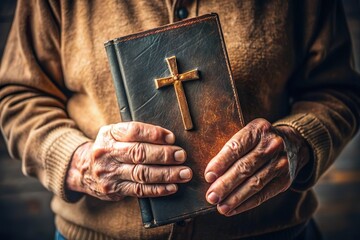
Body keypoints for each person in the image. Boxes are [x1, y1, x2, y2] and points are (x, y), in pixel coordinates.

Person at [0, 0, 359, 239]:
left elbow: (338, 91)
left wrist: (294, 145)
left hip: (271, 231)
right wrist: (79, 163)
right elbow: (18, 96)